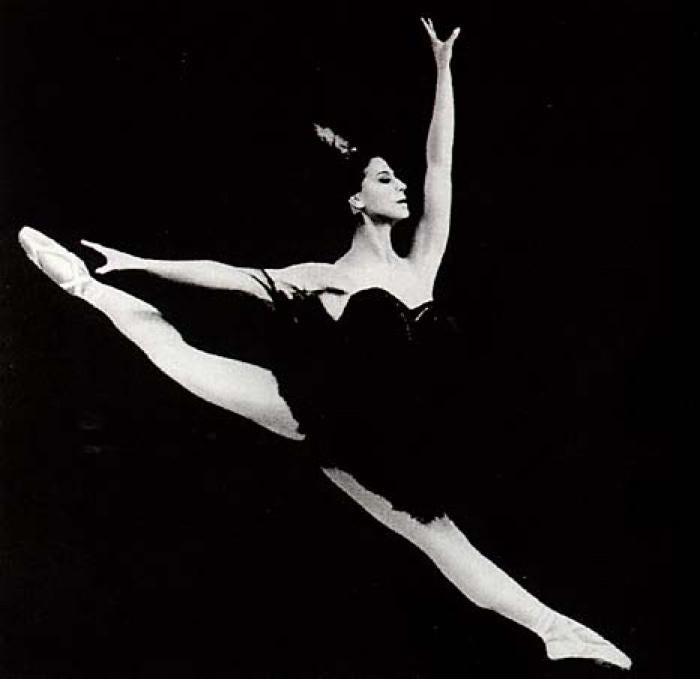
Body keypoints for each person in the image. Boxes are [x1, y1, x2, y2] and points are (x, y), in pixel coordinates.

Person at [17, 18, 631, 670]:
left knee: (447, 545)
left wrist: (443, 69)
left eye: (397, 178)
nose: (401, 185)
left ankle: (559, 633)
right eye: (384, 178)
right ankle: (89, 289)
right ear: (355, 199)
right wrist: (139, 263)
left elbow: (441, 164)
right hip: (318, 413)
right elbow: (231, 276)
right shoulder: (317, 276)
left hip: (392, 443)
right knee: (180, 358)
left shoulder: (421, 261)